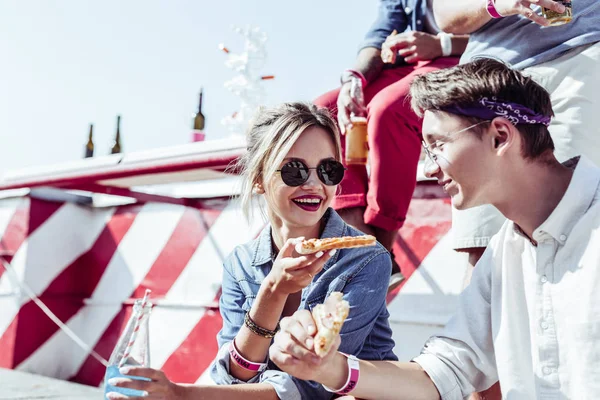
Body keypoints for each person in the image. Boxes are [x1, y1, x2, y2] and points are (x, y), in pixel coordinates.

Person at [269, 59, 600, 399]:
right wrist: (326, 367)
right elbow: (447, 372)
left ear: (500, 137)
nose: (428, 168)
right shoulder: (503, 254)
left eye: (438, 144)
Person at [105, 102, 397, 400]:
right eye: (294, 170)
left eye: (328, 170)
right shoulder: (240, 263)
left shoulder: (367, 259)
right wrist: (273, 291)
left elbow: (314, 385)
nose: (314, 184)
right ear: (258, 179)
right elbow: (235, 375)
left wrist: (181, 394)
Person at [432, 3, 600, 396]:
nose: (428, 168)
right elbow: (446, 14)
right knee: (483, 262)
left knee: (575, 228)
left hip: (582, 55)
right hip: (485, 79)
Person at [314, 0, 469, 279]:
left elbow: (505, 26)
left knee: (389, 109)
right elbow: (382, 30)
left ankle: (381, 253)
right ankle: (357, 232)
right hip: (409, 68)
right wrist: (355, 79)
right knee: (325, 110)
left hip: (464, 61)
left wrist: (442, 45)